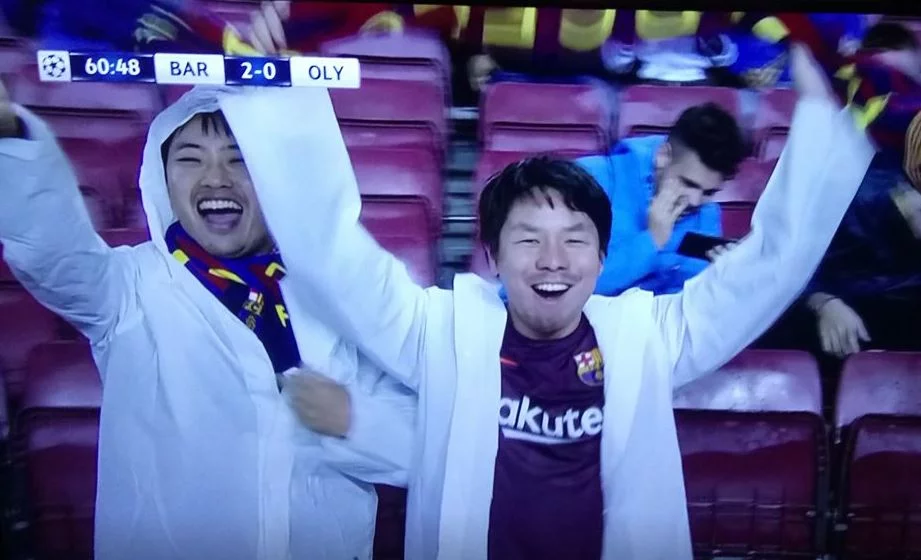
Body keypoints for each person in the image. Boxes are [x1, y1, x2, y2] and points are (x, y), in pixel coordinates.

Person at [237, 44, 873, 560]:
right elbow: (332, 256)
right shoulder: (442, 331)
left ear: (602, 256)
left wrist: (834, 115)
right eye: (528, 239)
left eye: (575, 240)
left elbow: (770, 265)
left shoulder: (648, 338)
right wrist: (276, 90)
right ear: (492, 254)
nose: (552, 260)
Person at [0, 82, 414, 559]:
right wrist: (9, 132)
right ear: (163, 178)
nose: (216, 179)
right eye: (190, 159)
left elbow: (421, 448)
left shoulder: (345, 297)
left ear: (279, 173)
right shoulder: (128, 288)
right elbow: (51, 254)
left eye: (240, 159)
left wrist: (353, 420)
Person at [756, 153, 921, 360]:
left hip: (896, 333)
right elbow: (780, 266)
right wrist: (823, 302)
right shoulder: (848, 196)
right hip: (815, 324)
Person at [575, 102, 745, 295]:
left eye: (709, 192)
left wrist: (720, 277)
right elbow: (571, 285)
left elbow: (688, 298)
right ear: (663, 156)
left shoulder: (707, 213)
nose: (695, 201)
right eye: (688, 183)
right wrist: (652, 239)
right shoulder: (590, 179)